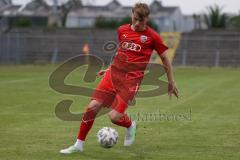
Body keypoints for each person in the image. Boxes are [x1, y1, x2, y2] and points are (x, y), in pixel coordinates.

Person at [60, 2, 179, 154]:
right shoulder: (122, 30)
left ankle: (130, 125)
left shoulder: (152, 37)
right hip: (113, 75)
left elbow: (165, 59)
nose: (136, 23)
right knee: (92, 108)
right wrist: (109, 69)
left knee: (114, 117)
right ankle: (78, 145)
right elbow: (121, 52)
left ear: (146, 19)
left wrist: (171, 81)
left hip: (131, 81)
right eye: (135, 18)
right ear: (132, 14)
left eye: (140, 21)